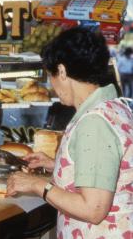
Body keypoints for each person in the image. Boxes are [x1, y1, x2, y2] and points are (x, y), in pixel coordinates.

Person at [7, 27, 133, 238]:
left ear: (62, 71)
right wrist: (55, 164)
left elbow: (93, 209)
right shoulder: (113, 107)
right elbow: (109, 169)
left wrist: (38, 185)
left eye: (51, 75)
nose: (52, 85)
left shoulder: (94, 123)